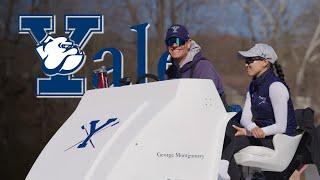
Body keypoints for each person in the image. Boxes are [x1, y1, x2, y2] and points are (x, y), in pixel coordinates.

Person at [218, 43, 297, 180]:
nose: (246, 64)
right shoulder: (253, 85)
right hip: (261, 135)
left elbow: (281, 126)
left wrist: (259, 131)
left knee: (230, 145)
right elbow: (246, 118)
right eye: (245, 61)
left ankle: (223, 172)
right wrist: (251, 128)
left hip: (279, 139)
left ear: (265, 62)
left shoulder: (276, 86)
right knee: (227, 136)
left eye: (250, 60)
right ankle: (223, 172)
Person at [164, 24, 227, 106]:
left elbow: (208, 103)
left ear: (188, 43)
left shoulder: (203, 67)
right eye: (170, 42)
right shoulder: (170, 72)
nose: (174, 45)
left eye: (179, 41)